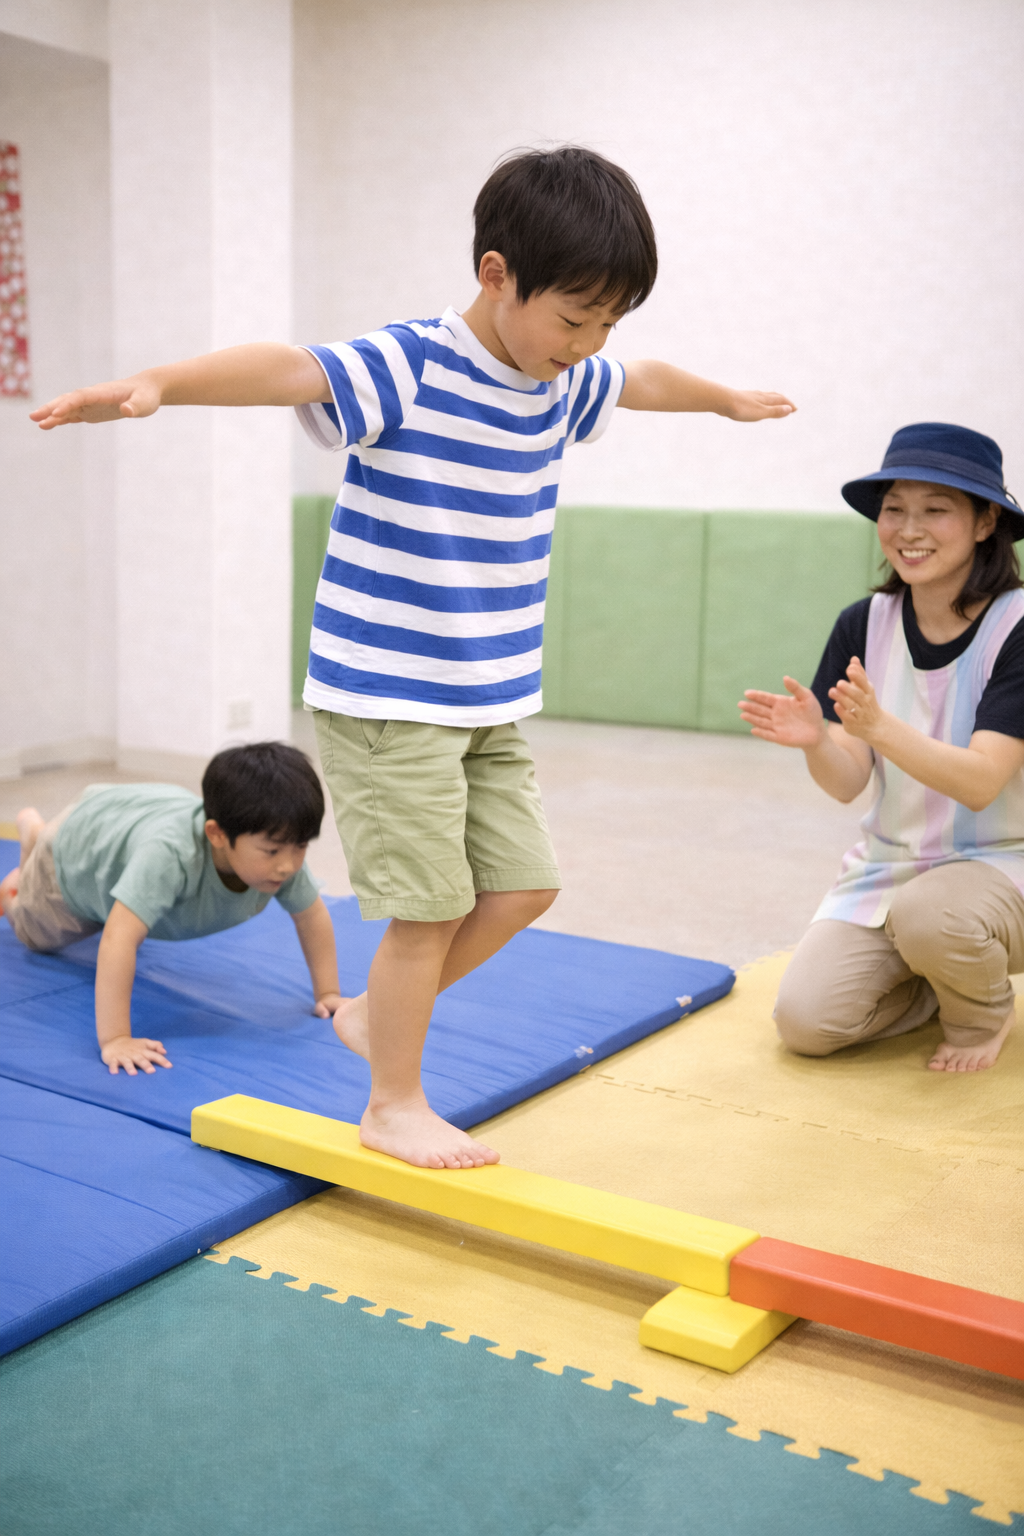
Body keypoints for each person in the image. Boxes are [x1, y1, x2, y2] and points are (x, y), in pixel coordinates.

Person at [30, 145, 795, 1167]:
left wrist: (726, 399)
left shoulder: (559, 382)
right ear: (494, 275)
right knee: (427, 907)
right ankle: (392, 1102)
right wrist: (160, 382)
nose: (589, 344)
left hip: (487, 694)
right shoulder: (411, 363)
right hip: (386, 694)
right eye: (574, 317)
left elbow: (643, 379)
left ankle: (371, 1018)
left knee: (523, 888)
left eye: (607, 321)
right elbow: (287, 366)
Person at [740, 422, 1024, 1074]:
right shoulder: (862, 623)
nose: (908, 528)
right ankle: (935, 979)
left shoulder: (1018, 627)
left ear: (986, 523)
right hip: (892, 869)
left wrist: (880, 728)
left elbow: (983, 782)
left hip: (1005, 867)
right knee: (807, 1023)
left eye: (935, 510)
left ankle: (982, 1011)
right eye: (894, 509)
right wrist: (817, 741)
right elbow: (846, 783)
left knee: (932, 915)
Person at [0, 742, 342, 1076]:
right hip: (77, 853)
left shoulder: (278, 859)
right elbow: (118, 938)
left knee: (128, 905)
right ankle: (28, 861)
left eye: (300, 847)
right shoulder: (170, 855)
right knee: (37, 936)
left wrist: (328, 993)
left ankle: (37, 838)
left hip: (125, 822)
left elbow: (310, 915)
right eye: (272, 851)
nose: (288, 864)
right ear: (218, 834)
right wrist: (116, 1038)